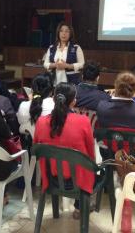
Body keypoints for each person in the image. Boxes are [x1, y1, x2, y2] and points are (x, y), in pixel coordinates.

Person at [34, 82, 95, 219]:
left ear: (54, 99)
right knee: (89, 167)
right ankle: (80, 207)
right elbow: (90, 155)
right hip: (78, 181)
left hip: (50, 178)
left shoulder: (41, 121)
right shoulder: (83, 121)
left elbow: (36, 150)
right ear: (73, 102)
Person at [17, 73, 54, 137]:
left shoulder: (24, 105)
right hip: (52, 143)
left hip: (32, 144)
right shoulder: (56, 105)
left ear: (32, 89)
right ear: (51, 91)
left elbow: (21, 123)